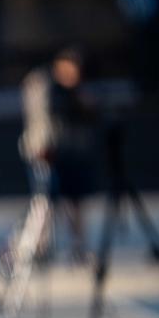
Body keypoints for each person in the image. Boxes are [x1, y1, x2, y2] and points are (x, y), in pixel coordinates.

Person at [20, 46, 99, 262]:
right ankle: (38, 247)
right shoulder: (43, 85)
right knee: (43, 201)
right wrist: (41, 148)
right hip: (46, 153)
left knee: (75, 202)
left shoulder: (78, 91)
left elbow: (90, 119)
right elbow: (39, 119)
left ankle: (78, 246)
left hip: (72, 154)